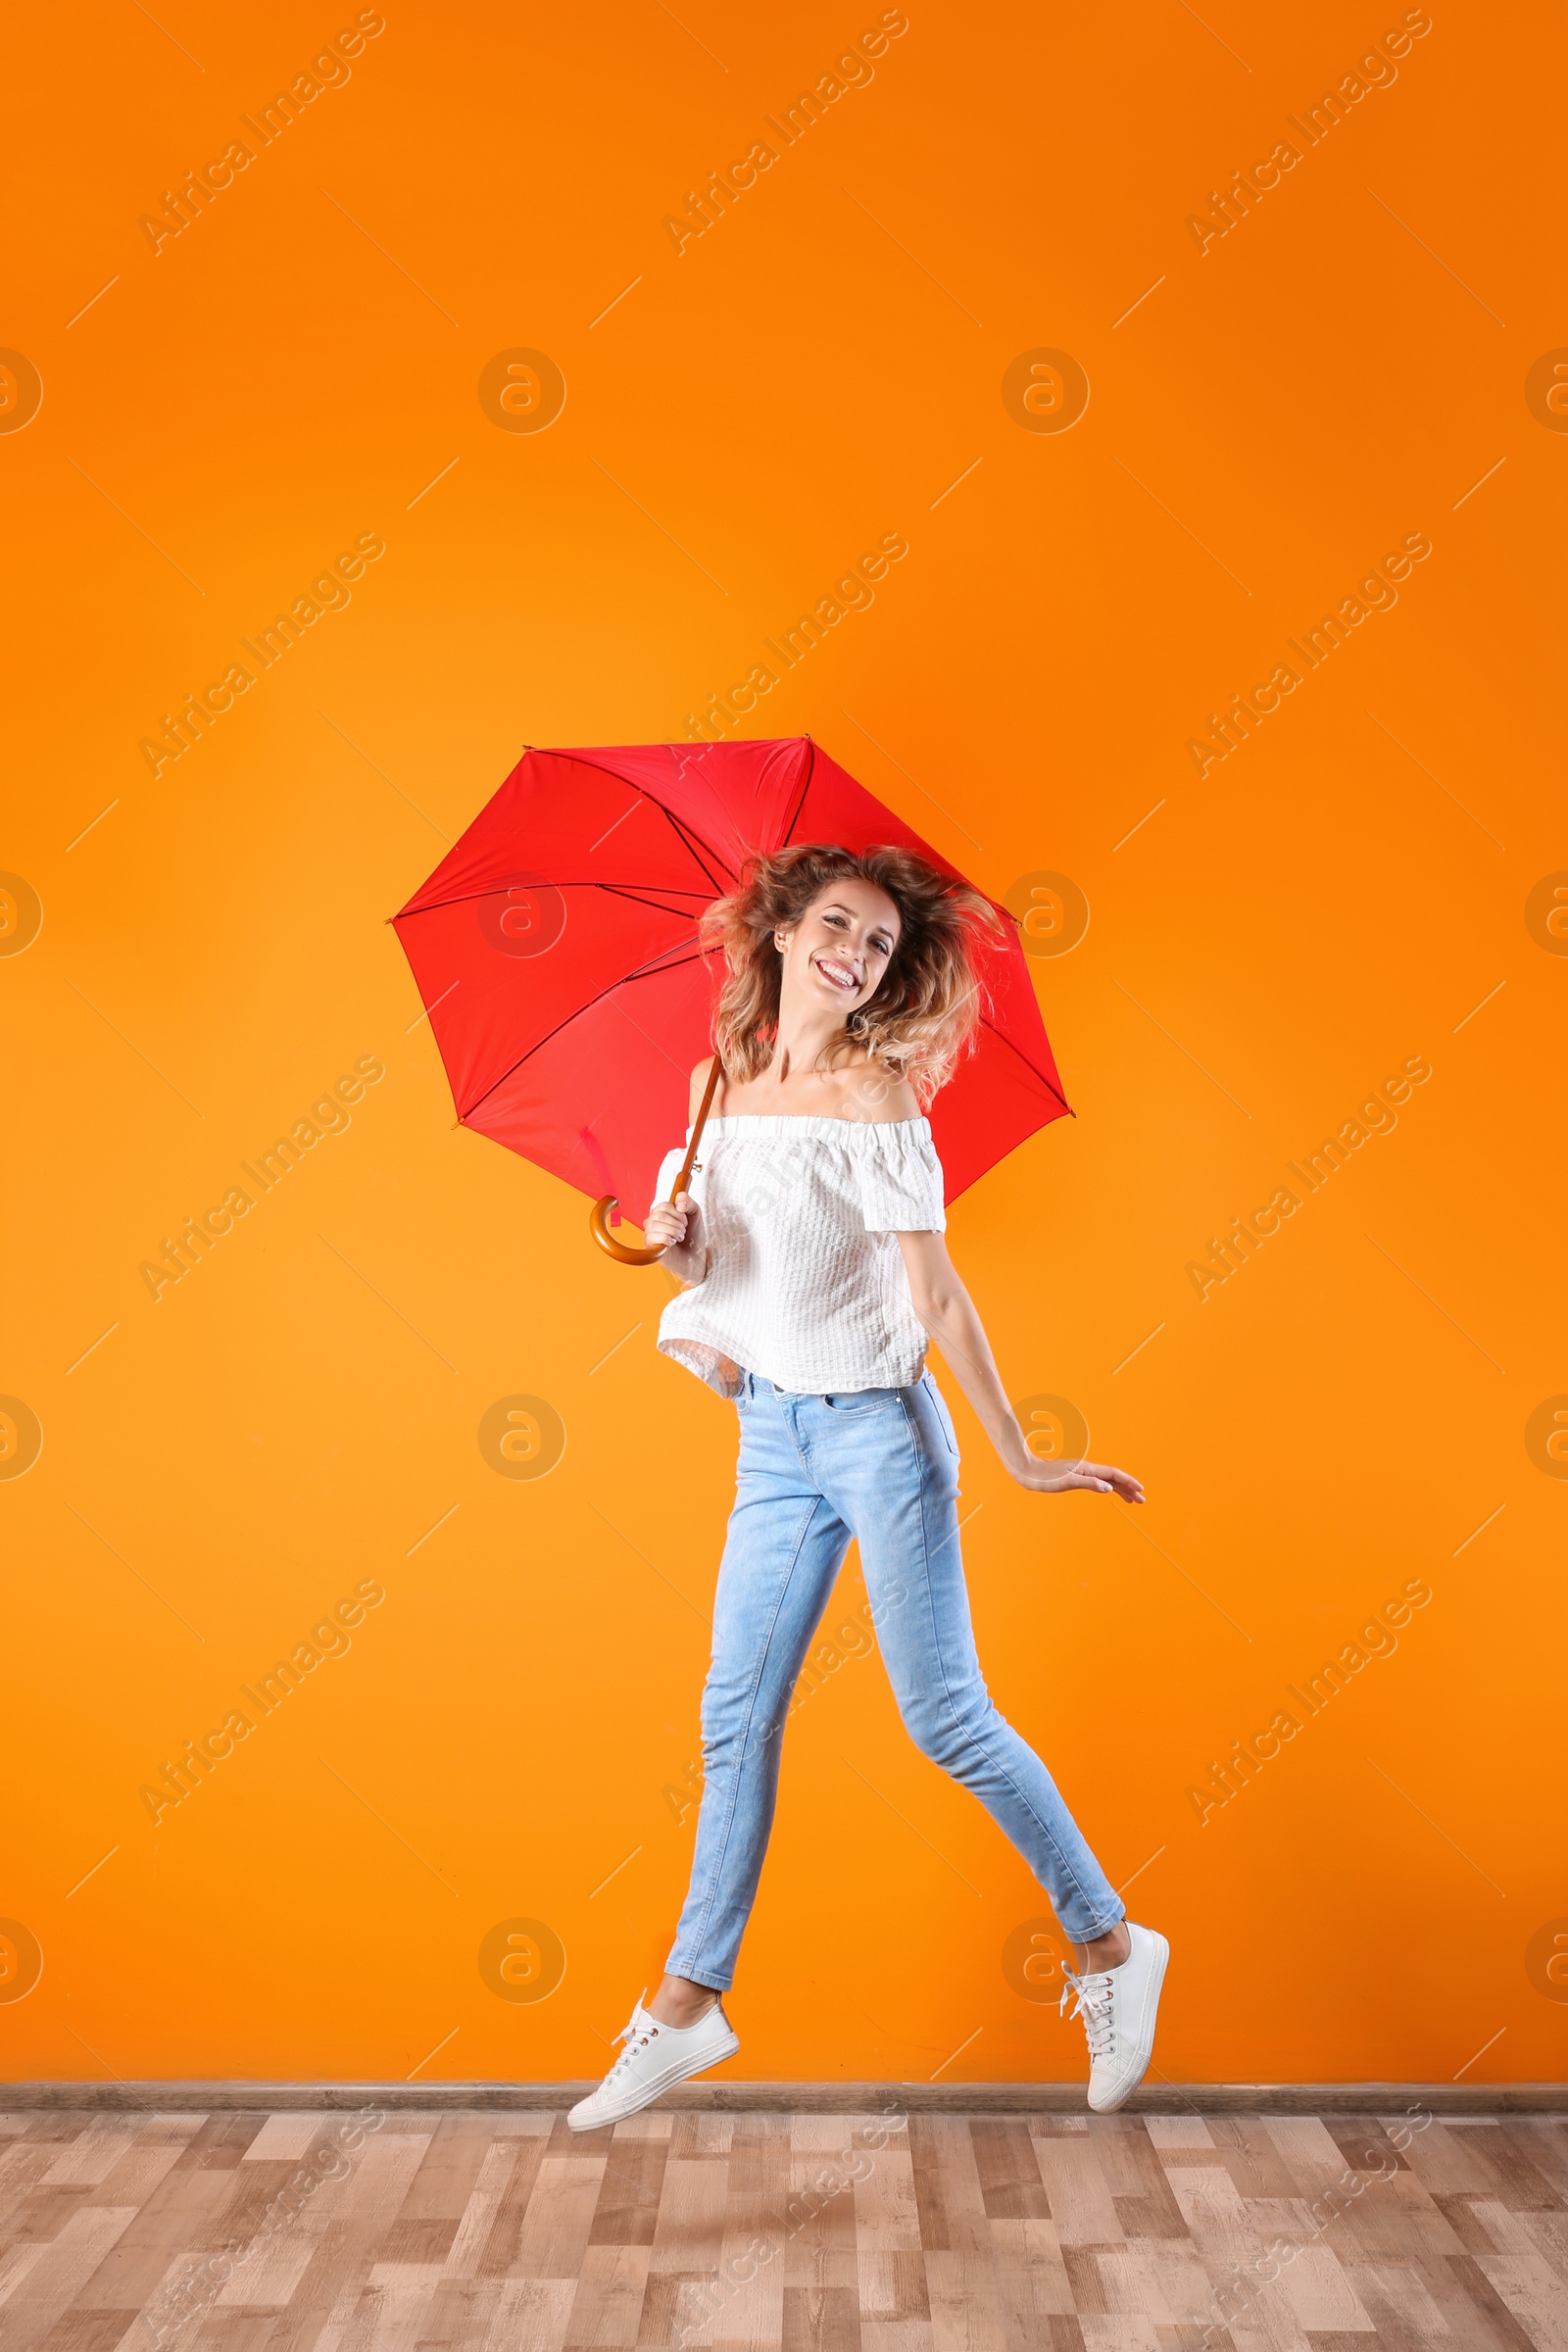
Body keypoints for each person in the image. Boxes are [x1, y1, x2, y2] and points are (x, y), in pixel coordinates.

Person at [568, 844, 1167, 2130]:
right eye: (836, 925)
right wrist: (675, 1248)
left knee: (944, 1720)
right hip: (771, 1434)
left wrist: (1017, 1452)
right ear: (782, 934)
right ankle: (685, 2006)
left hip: (880, 1433)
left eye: (881, 945)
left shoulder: (878, 1095)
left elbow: (931, 1290)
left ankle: (1113, 1947)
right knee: (734, 1721)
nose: (855, 952)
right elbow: (738, 1279)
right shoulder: (713, 1084)